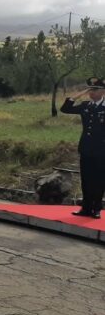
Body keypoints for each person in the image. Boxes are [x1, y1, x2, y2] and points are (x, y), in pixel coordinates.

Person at [60, 77, 105, 219]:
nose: (92, 93)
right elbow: (65, 109)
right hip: (86, 148)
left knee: (99, 180)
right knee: (85, 179)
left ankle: (96, 208)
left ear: (103, 91)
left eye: (95, 90)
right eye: (90, 90)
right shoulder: (86, 105)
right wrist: (79, 94)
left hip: (101, 150)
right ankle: (86, 207)